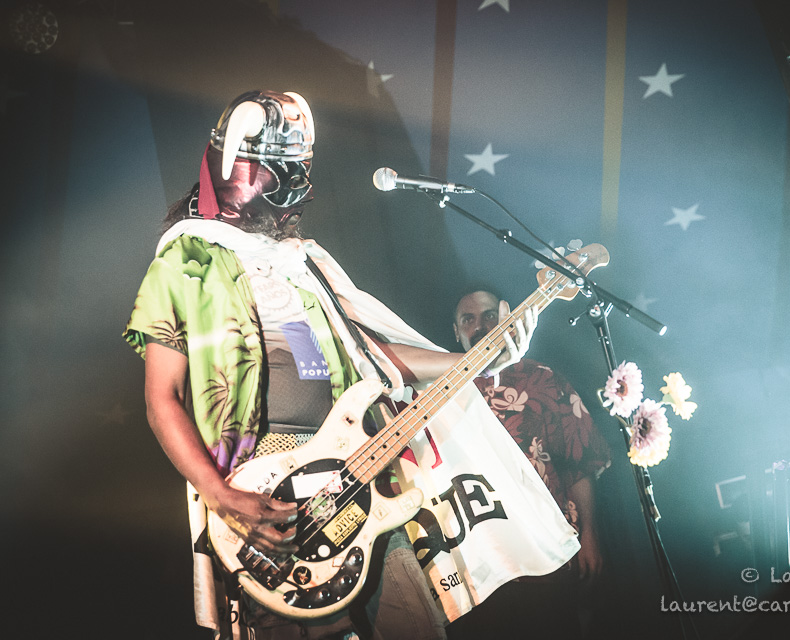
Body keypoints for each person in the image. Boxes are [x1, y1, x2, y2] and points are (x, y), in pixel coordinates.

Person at [123, 91, 538, 640]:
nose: (297, 187)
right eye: (283, 171)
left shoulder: (299, 264)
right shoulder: (186, 261)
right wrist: (222, 496)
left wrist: (471, 362)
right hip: (267, 494)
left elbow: (365, 361)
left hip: (353, 478)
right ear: (240, 170)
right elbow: (162, 398)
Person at [445, 290, 612, 640]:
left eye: (490, 315)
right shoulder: (441, 392)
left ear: (507, 319)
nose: (480, 326)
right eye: (468, 319)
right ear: (456, 332)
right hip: (482, 565)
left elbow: (579, 463)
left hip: (549, 551)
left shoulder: (542, 378)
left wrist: (590, 535)